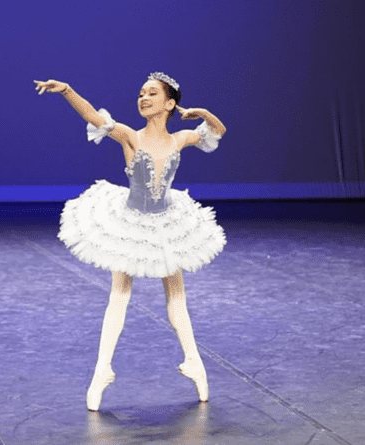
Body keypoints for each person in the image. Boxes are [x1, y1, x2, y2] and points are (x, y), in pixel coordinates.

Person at [34, 72, 227, 411]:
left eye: (152, 93)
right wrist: (66, 90)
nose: (143, 98)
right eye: (141, 93)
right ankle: (102, 370)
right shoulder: (130, 136)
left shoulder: (180, 138)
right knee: (119, 295)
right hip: (131, 222)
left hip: (167, 222)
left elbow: (217, 131)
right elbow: (93, 116)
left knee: (177, 297)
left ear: (169, 103)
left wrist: (202, 113)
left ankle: (194, 362)